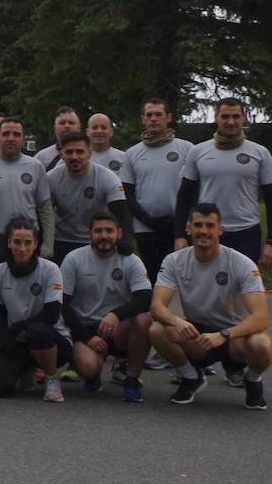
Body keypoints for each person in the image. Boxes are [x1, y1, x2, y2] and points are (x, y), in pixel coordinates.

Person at [150, 202, 270, 409]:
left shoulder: (241, 263)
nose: (203, 231)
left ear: (220, 230)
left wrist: (223, 335)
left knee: (261, 344)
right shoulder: (174, 261)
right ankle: (191, 377)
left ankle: (252, 381)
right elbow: (157, 306)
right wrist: (176, 321)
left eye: (210, 225)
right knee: (157, 329)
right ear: (189, 229)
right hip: (198, 335)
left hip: (235, 336)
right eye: (198, 225)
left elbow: (260, 318)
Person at [59, 213, 151, 402]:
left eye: (109, 231)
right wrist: (87, 337)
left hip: (118, 329)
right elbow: (62, 305)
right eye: (98, 231)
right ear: (90, 234)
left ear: (119, 233)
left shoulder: (131, 260)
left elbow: (145, 298)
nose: (104, 235)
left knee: (144, 320)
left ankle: (131, 379)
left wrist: (116, 315)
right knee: (87, 366)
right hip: (85, 328)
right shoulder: (73, 259)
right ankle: (93, 374)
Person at [174, 97, 272, 269]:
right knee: (206, 289)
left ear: (244, 118)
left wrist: (270, 242)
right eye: (225, 117)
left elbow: (271, 199)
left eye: (236, 117)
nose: (231, 122)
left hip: (247, 232)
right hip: (207, 231)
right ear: (216, 118)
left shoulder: (260, 153)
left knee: (243, 291)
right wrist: (180, 235)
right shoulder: (198, 151)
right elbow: (184, 195)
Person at [0, 217, 71, 403]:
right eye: (16, 242)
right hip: (18, 340)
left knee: (37, 330)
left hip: (50, 339)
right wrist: (2, 342)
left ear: (36, 244)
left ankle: (51, 379)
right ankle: (25, 369)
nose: (22, 248)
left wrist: (15, 329)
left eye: (27, 242)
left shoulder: (50, 269)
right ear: (8, 243)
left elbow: (51, 314)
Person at [0, 117, 55, 270]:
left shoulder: (36, 167)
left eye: (16, 134)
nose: (11, 138)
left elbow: (45, 208)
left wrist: (48, 244)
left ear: (23, 139)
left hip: (27, 240)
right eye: (6, 134)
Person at [125, 97, 193, 281]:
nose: (154, 119)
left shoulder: (186, 148)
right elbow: (127, 195)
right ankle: (156, 310)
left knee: (185, 280)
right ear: (143, 119)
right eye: (149, 115)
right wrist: (149, 220)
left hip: (179, 228)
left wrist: (181, 222)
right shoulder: (131, 154)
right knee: (155, 280)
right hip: (146, 229)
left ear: (168, 117)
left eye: (158, 114)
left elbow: (194, 190)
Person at [48, 131, 132, 262]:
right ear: (62, 155)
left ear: (89, 153)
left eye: (80, 151)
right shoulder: (51, 178)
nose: (75, 156)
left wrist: (125, 242)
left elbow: (122, 215)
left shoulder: (108, 177)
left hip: (96, 240)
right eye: (69, 152)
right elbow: (44, 214)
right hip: (61, 240)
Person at [34, 106, 82, 170]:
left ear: (79, 127)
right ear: (55, 128)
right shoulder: (42, 158)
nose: (67, 126)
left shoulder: (92, 156)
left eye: (71, 123)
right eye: (62, 123)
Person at [87, 113, 131, 181]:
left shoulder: (123, 158)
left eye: (103, 128)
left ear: (111, 132)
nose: (99, 131)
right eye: (95, 127)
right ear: (87, 132)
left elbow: (126, 187)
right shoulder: (80, 158)